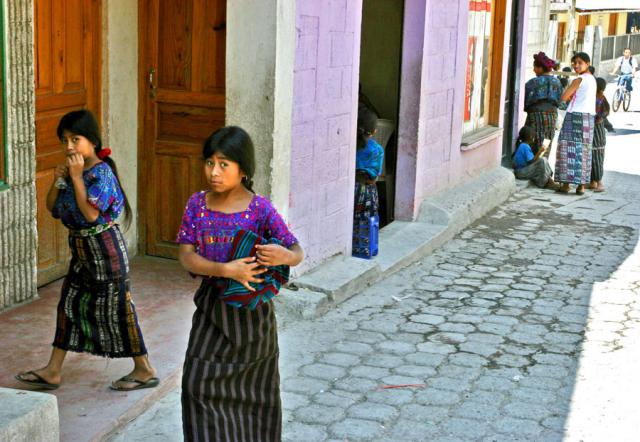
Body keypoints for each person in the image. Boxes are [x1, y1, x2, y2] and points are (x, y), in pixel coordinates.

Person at [177, 126, 304, 441]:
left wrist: (282, 256)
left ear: (243, 169)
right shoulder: (198, 204)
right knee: (197, 384)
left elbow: (297, 251)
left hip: (252, 319)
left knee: (255, 395)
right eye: (209, 163)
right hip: (211, 309)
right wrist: (226, 270)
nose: (214, 172)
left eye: (223, 164)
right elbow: (187, 257)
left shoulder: (259, 209)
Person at [15, 110, 158, 391]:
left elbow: (92, 215)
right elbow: (52, 207)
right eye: (64, 140)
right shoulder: (72, 172)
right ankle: (53, 370)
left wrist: (77, 177)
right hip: (81, 251)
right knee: (69, 305)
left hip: (104, 251)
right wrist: (60, 179)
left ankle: (144, 369)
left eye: (75, 139)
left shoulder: (101, 173)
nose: (68, 146)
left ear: (92, 141)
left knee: (117, 310)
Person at [556, 52, 597, 195]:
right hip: (588, 119)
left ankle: (566, 185)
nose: (576, 65)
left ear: (588, 63)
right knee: (584, 151)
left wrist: (567, 98)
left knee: (567, 148)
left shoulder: (579, 79)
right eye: (574, 62)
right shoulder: (592, 79)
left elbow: (563, 97)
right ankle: (581, 186)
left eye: (580, 62)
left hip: (574, 117)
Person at [353, 106, 384, 257]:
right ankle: (364, 248)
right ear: (374, 131)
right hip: (367, 192)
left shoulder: (350, 146)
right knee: (365, 220)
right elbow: (374, 176)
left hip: (350, 189)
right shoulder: (377, 150)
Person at [524, 52, 564, 158]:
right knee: (547, 139)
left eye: (535, 67)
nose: (534, 70)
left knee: (534, 139)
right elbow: (560, 101)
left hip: (536, 115)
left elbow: (526, 101)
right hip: (552, 116)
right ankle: (543, 163)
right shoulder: (557, 82)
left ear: (541, 68)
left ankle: (534, 165)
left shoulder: (532, 83)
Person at [590, 77, 610, 193]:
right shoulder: (602, 98)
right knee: (595, 156)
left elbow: (597, 114)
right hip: (599, 130)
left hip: (596, 130)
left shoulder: (597, 99)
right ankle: (593, 181)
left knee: (596, 156)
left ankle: (599, 182)